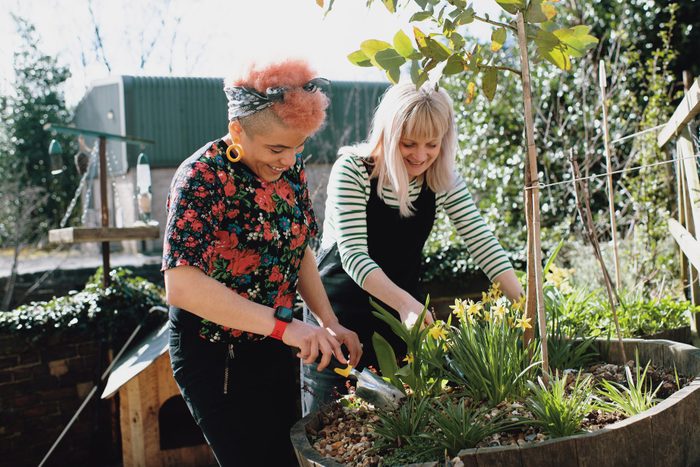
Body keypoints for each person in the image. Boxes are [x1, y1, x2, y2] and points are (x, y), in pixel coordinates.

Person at [162, 59, 362, 466]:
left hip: (273, 344)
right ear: (238, 130)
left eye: (298, 146)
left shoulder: (289, 170)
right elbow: (181, 285)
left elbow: (299, 248)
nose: (288, 160)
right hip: (214, 354)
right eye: (276, 148)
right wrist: (284, 327)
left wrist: (327, 321)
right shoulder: (201, 177)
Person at [301, 82, 524, 415]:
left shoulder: (440, 177)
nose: (420, 155)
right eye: (408, 144)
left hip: (401, 321)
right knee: (333, 426)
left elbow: (482, 241)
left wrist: (524, 303)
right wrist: (407, 304)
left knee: (405, 423)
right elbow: (354, 256)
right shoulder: (354, 170)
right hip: (339, 320)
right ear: (389, 135)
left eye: (432, 144)